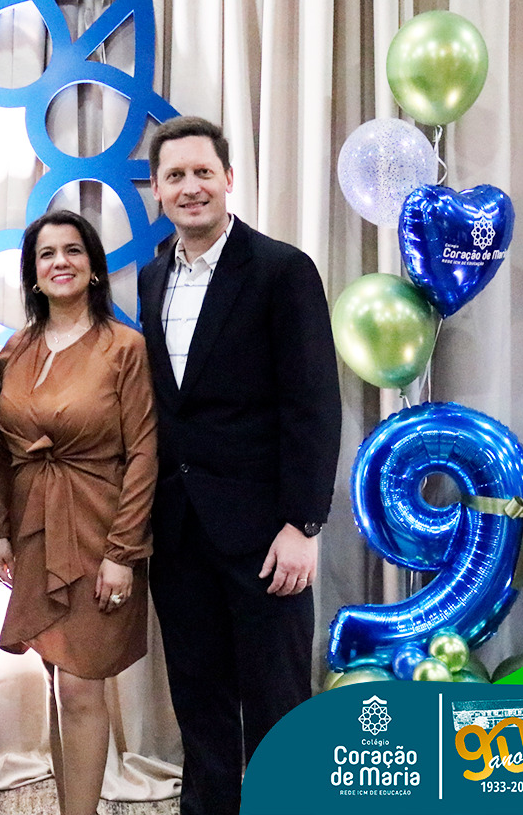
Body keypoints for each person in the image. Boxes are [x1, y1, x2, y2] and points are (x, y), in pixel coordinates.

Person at [136, 116, 342, 815]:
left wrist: (303, 524)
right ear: (157, 190)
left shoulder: (282, 270)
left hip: (265, 533)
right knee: (199, 701)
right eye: (174, 176)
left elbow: (312, 404)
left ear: (228, 179)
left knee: (277, 702)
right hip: (180, 530)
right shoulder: (153, 276)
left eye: (202, 172)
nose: (189, 187)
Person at [0, 210, 158, 815]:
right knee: (58, 682)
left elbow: (144, 453)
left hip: (100, 530)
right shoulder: (16, 349)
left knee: (84, 686)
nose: (60, 262)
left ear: (94, 267)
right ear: (33, 274)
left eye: (73, 251)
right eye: (46, 254)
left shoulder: (125, 347)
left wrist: (123, 552)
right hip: (35, 530)